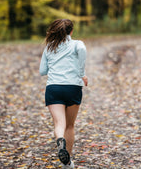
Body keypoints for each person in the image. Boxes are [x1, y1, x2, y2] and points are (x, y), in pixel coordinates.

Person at [39, 19, 88, 169]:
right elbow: (82, 51)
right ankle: (68, 163)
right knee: (70, 126)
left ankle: (60, 140)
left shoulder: (49, 47)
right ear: (71, 32)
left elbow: (42, 71)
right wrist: (82, 74)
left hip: (54, 88)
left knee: (59, 123)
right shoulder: (77, 44)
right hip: (72, 87)